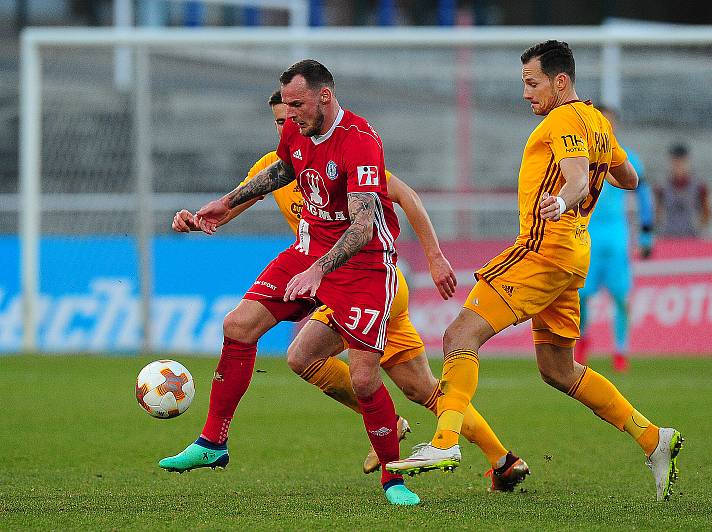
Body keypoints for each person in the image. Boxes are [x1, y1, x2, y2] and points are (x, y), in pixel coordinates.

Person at [171, 90, 530, 492]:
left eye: (290, 115)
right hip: (324, 278)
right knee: (408, 384)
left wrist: (434, 255)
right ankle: (502, 459)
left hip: (366, 280)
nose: (286, 124)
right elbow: (244, 199)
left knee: (342, 368)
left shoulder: (348, 150)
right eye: (278, 120)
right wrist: (204, 218)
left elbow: (404, 196)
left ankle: (391, 440)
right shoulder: (277, 163)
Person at [387, 40, 684, 503]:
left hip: (544, 249)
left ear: (559, 82)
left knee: (459, 337)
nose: (526, 93)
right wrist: (592, 172)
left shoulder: (564, 118)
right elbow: (630, 179)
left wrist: (562, 198)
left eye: (532, 83)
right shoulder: (597, 122)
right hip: (572, 257)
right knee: (557, 368)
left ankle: (445, 442)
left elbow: (577, 177)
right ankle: (652, 438)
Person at [159, 59, 421, 506]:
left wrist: (320, 271)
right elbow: (284, 168)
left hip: (364, 266)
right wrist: (227, 203)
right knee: (237, 326)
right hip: (308, 250)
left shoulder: (360, 142)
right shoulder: (297, 127)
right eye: (286, 105)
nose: (290, 113)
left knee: (362, 379)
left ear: (325, 95)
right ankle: (212, 443)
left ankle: (393, 480)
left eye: (297, 103)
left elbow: (362, 226)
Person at [574, 105, 655, 372]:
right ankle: (582, 341)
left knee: (621, 297)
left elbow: (643, 195)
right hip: (587, 237)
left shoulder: (626, 157)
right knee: (581, 296)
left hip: (616, 239)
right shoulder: (578, 155)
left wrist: (646, 232)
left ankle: (620, 351)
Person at [654, 143, 709, 238]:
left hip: (691, 237)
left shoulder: (700, 187)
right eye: (675, 161)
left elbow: (706, 213)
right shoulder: (661, 187)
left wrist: (699, 228)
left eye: (681, 161)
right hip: (668, 237)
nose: (678, 165)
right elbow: (657, 213)